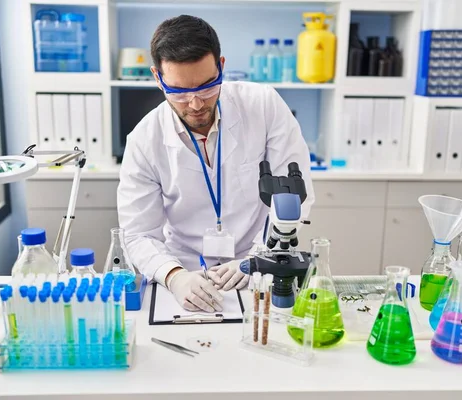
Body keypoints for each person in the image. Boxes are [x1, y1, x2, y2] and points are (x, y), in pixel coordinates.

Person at [117, 15, 315, 313]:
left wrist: (260, 258)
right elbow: (138, 233)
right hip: (187, 274)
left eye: (208, 87)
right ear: (158, 78)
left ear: (221, 66)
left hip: (260, 266)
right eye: (179, 92)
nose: (196, 104)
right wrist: (174, 276)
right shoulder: (144, 140)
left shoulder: (263, 105)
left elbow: (295, 196)